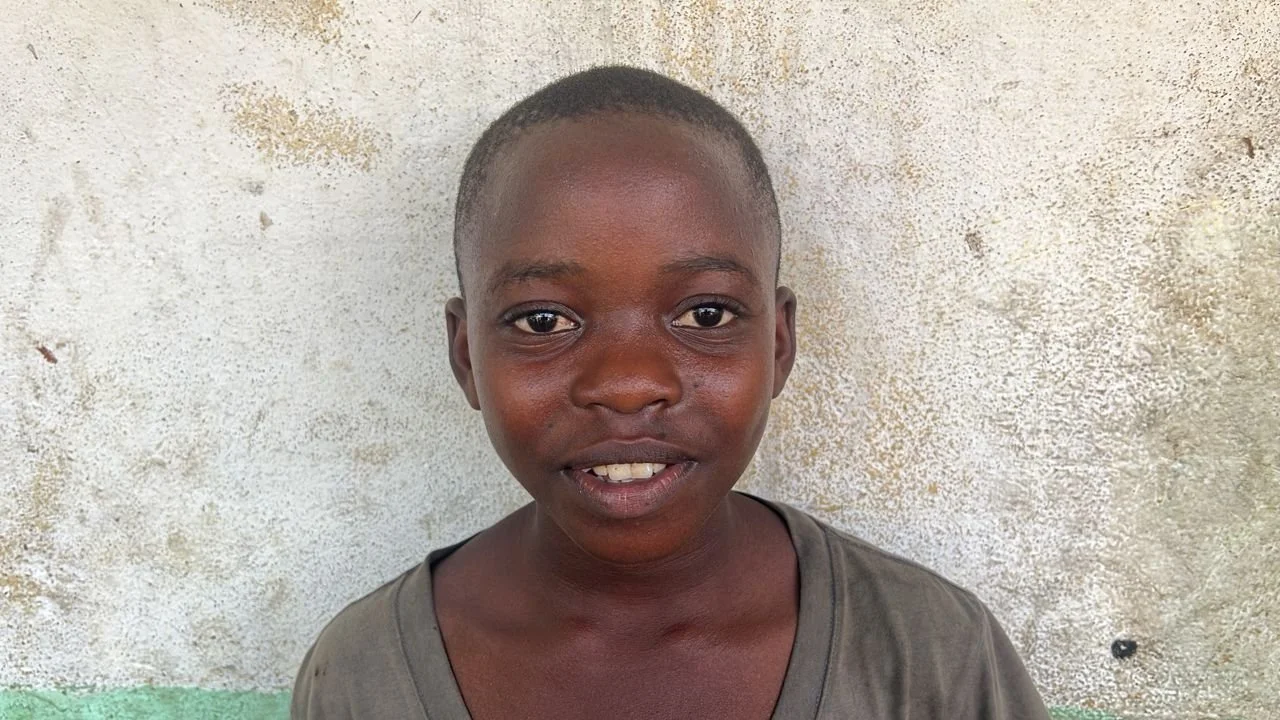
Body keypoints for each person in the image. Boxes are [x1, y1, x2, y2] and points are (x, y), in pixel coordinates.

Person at [291, 65, 1051, 720]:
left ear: (779, 343)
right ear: (465, 357)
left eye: (705, 314)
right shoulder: (364, 677)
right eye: (544, 319)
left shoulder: (929, 657)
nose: (627, 386)